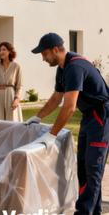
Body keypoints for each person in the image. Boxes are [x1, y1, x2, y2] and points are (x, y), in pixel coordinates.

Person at [27, 33, 109, 214]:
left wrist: (52, 135)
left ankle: (83, 211)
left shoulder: (75, 67)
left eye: (44, 53)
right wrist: (38, 116)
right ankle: (92, 211)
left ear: (56, 50)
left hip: (101, 117)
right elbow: (57, 98)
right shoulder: (63, 68)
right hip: (89, 117)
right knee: (83, 167)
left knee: (93, 166)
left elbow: (69, 106)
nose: (43, 58)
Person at [0, 42, 23, 121]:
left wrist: (17, 99)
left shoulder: (16, 66)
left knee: (12, 121)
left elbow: (20, 85)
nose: (1, 52)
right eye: (0, 50)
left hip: (11, 96)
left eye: (4, 49)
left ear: (10, 52)